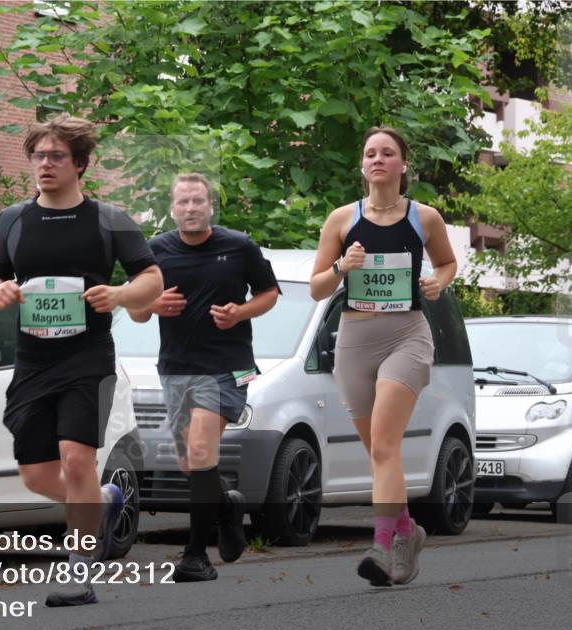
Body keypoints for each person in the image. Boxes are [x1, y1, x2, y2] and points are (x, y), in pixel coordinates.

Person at [0, 115, 163, 606]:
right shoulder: (13, 219)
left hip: (88, 357)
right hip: (33, 360)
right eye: (38, 155)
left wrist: (119, 293)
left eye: (56, 156)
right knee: (37, 475)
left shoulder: (109, 219)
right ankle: (100, 501)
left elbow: (152, 280)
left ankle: (79, 569)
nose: (45, 164)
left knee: (77, 458)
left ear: (79, 163)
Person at [309, 126, 457, 586]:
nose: (378, 159)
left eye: (387, 153)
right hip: (355, 340)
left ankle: (381, 545)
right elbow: (316, 288)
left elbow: (447, 263)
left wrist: (438, 282)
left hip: (407, 336)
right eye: (370, 153)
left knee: (386, 444)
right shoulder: (341, 220)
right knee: (378, 452)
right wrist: (342, 267)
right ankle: (408, 532)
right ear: (362, 165)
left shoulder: (424, 218)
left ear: (403, 164)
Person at [128, 173, 279, 582]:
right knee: (190, 462)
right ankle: (227, 505)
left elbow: (269, 293)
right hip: (177, 368)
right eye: (183, 202)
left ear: (211, 205)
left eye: (198, 201)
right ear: (172, 208)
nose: (191, 208)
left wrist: (239, 313)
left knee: (198, 450)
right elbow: (135, 311)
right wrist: (153, 305)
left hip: (228, 366)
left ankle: (196, 557)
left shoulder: (239, 246)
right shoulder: (155, 252)